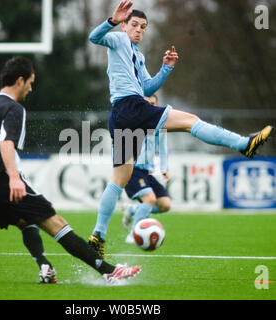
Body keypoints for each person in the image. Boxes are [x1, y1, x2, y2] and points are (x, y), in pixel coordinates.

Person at [87, 0, 273, 258]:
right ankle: (244, 144)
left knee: (119, 179)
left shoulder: (137, 56)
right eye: (134, 25)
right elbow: (93, 37)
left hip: (121, 114)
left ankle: (98, 236)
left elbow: (148, 89)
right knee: (190, 121)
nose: (139, 30)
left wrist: (166, 68)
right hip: (130, 107)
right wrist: (113, 20)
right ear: (125, 25)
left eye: (143, 27)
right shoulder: (117, 40)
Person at [0, 56, 141, 284]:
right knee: (57, 224)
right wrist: (14, 178)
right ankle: (109, 272)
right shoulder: (13, 108)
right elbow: (5, 143)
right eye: (30, 82)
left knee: (27, 221)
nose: (31, 88)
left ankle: (44, 266)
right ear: (20, 80)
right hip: (3, 180)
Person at [122, 95, 171, 244]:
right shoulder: (134, 121)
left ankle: (133, 210)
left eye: (153, 103)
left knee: (165, 205)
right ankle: (133, 233)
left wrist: (164, 168)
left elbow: (163, 149)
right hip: (132, 169)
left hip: (147, 172)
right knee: (150, 199)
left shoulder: (159, 125)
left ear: (157, 105)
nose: (150, 106)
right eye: (147, 103)